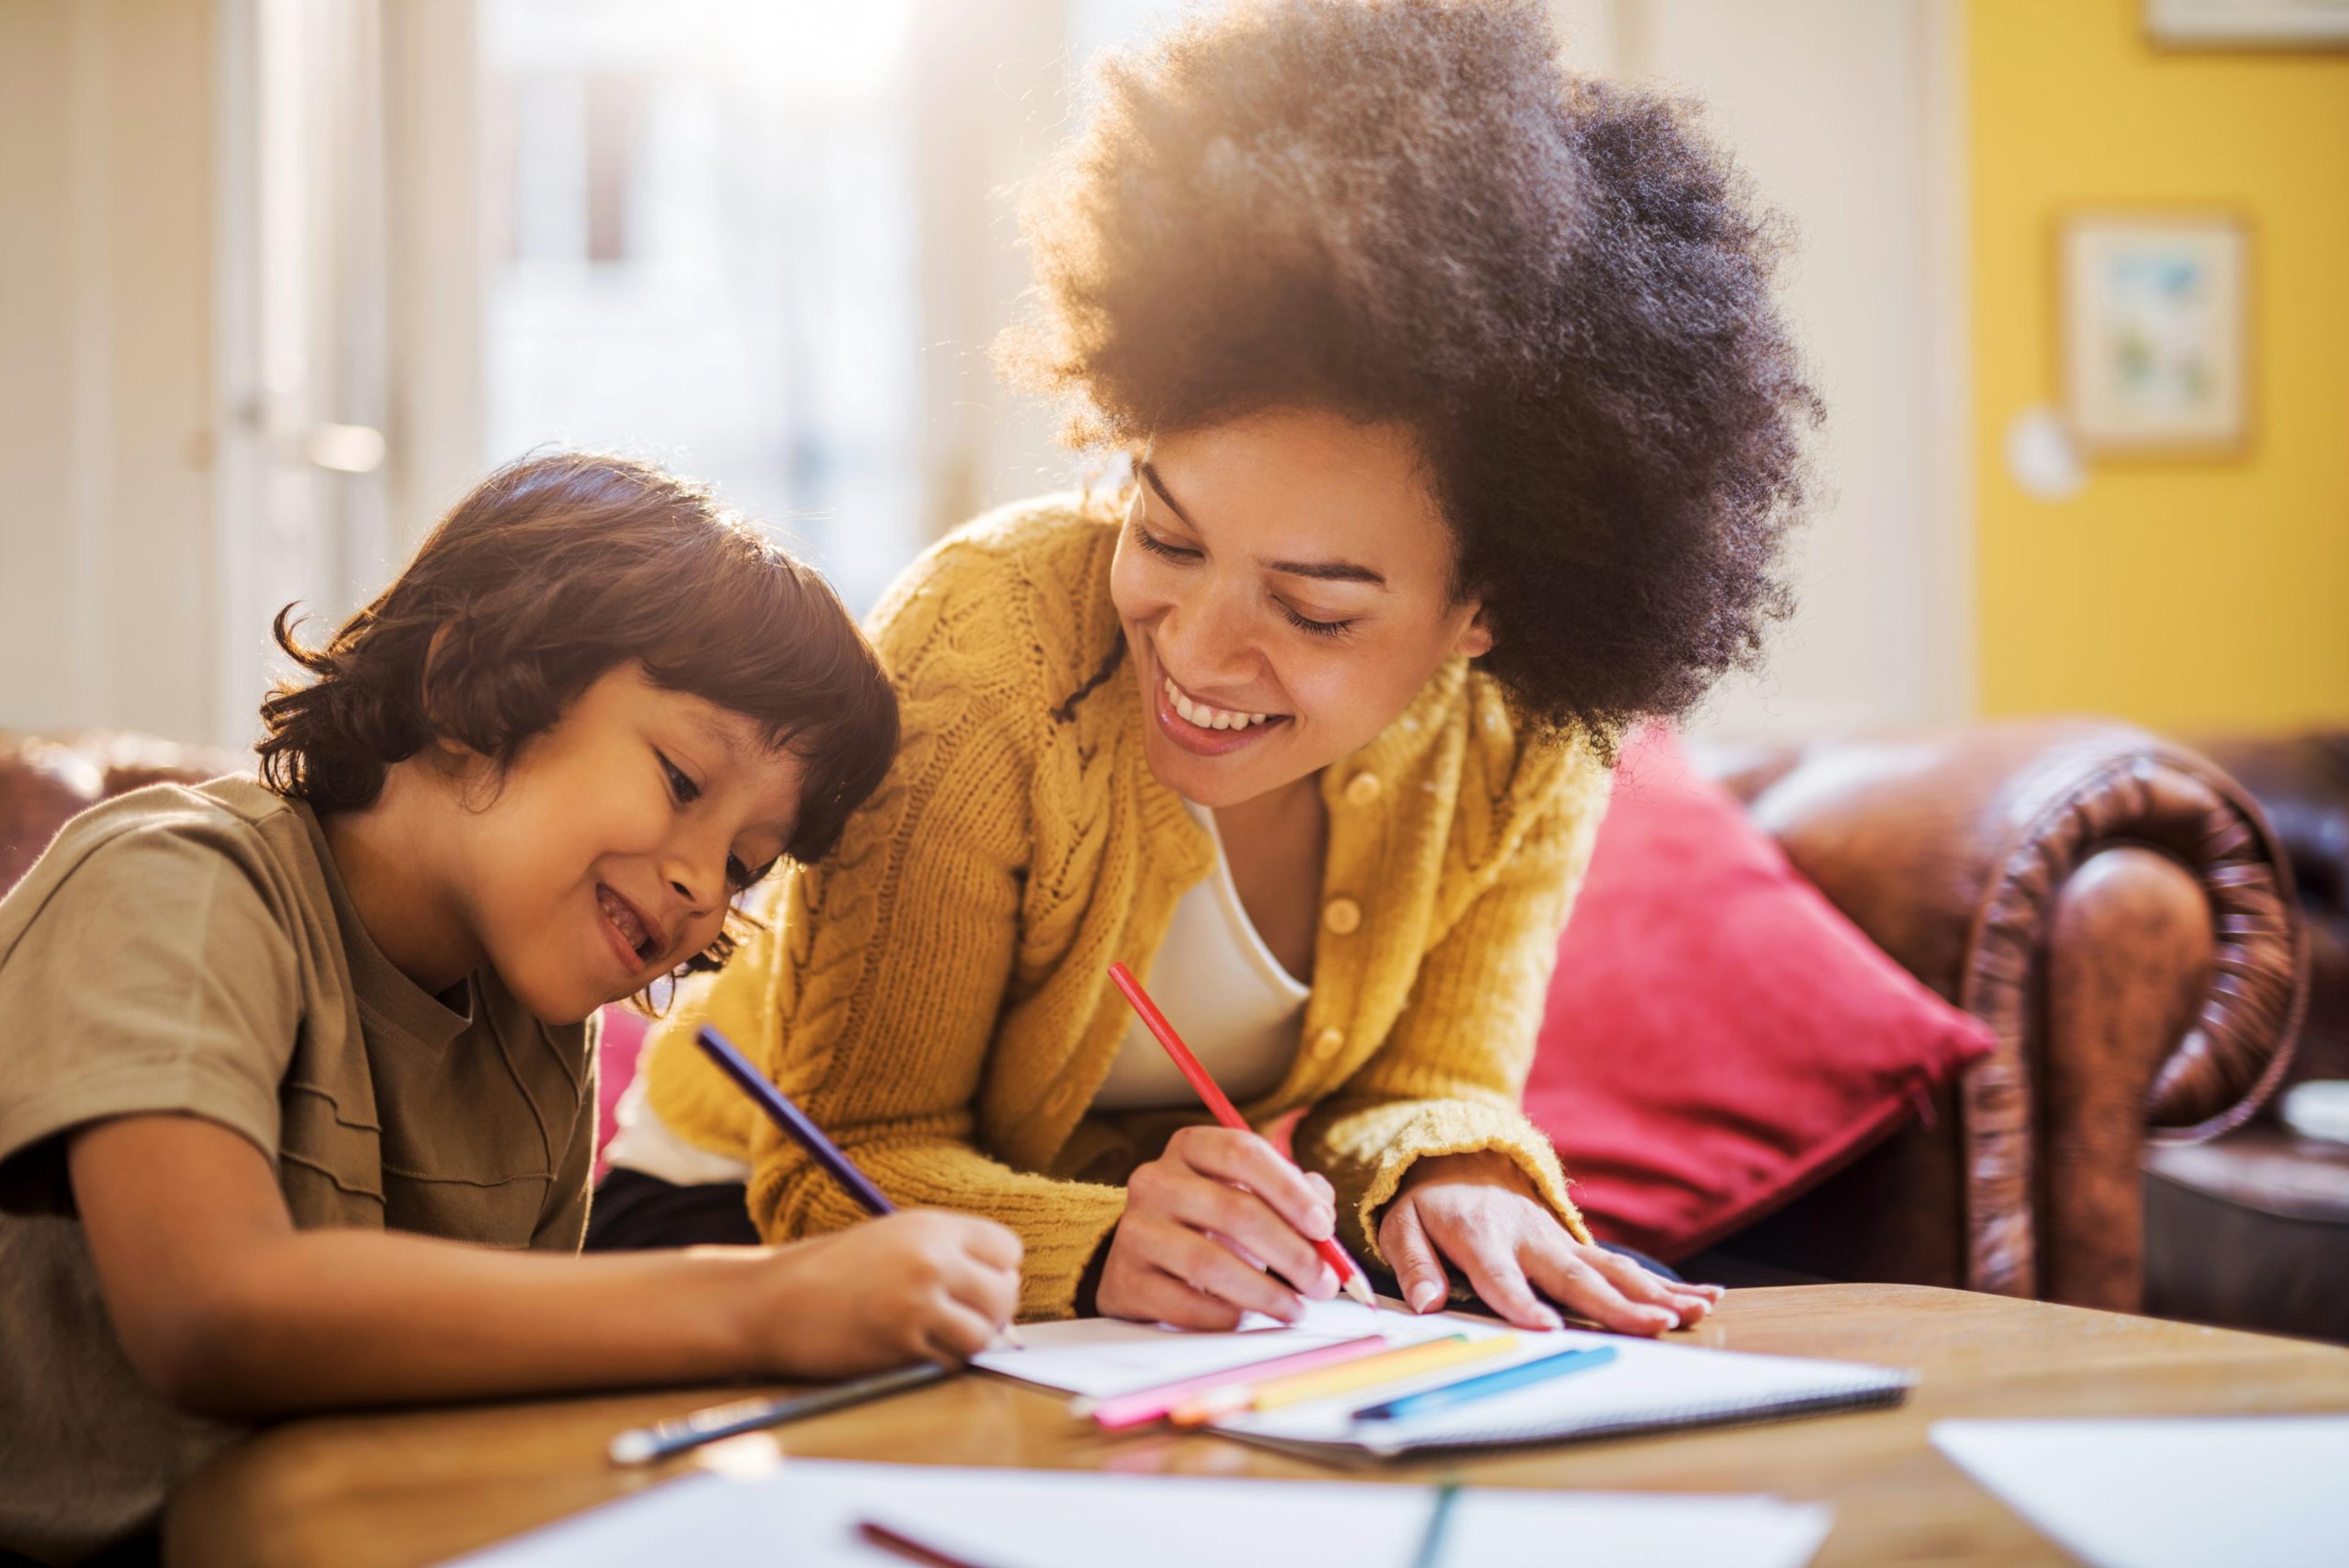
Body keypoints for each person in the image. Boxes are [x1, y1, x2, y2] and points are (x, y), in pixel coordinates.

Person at [599, 0, 1813, 1336]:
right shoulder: (986, 657)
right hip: (746, 1220)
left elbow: (1425, 1082)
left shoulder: (1521, 735)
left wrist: (1455, 1169)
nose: (1193, 642)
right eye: (1165, 533)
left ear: (1486, 613)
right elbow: (846, 1163)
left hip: (1129, 1289)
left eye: (1314, 607)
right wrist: (1108, 1237)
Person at [0, 453, 1022, 1568]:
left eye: (745, 861)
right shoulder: (181, 880)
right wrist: (764, 1300)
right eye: (683, 781)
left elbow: (499, 1372)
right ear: (466, 687)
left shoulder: (537, 1035)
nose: (702, 885)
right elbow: (214, 1313)